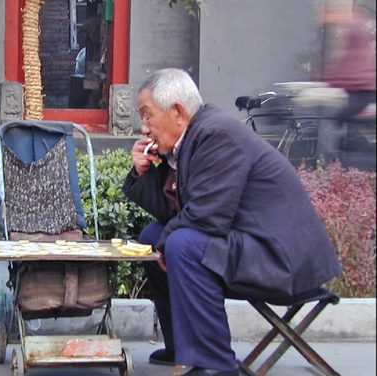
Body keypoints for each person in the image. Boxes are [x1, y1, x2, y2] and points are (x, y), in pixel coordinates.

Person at [122, 68, 342, 376]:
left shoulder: (216, 135)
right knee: (152, 236)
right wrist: (144, 173)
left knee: (182, 244)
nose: (144, 128)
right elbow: (177, 215)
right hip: (250, 245)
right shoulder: (192, 140)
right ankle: (182, 348)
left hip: (280, 260)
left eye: (147, 116)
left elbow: (206, 218)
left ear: (177, 112)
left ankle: (215, 365)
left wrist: (167, 243)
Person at [317, 2, 376, 163]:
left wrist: (330, 78)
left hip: (362, 86)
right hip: (359, 86)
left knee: (341, 119)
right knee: (348, 122)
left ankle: (345, 160)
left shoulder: (354, 28)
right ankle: (346, 158)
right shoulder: (357, 28)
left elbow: (351, 60)